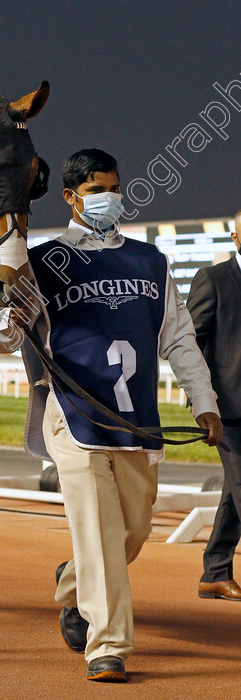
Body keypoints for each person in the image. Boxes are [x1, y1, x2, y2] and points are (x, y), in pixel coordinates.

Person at [0, 148, 222, 682]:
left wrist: (204, 403)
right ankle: (108, 645)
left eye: (113, 187)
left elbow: (180, 340)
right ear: (71, 197)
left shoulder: (150, 261)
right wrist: (8, 308)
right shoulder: (45, 263)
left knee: (132, 531)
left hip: (137, 420)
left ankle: (73, 582)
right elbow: (3, 337)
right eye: (96, 190)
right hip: (72, 415)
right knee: (96, 528)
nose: (108, 198)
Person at [187, 208, 241, 602]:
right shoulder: (213, 279)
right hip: (229, 411)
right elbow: (189, 345)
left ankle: (215, 572)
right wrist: (200, 400)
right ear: (236, 238)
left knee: (233, 491)